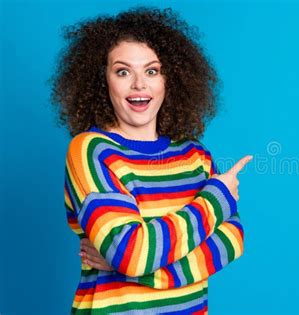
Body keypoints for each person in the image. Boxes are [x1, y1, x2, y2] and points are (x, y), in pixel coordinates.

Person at [50, 6, 252, 314]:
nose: (139, 85)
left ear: (169, 79)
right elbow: (133, 254)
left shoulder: (195, 156)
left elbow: (232, 242)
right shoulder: (91, 151)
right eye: (122, 71)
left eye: (152, 70)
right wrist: (214, 200)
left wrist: (137, 268)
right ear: (102, 80)